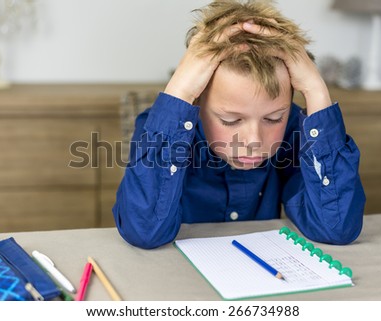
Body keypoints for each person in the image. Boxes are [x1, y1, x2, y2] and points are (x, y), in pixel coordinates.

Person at [113, 0, 365, 249]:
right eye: (230, 120)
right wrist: (180, 89)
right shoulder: (160, 129)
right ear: (196, 101)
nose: (254, 140)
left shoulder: (295, 134)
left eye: (273, 118)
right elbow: (144, 231)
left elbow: (337, 228)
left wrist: (316, 89)